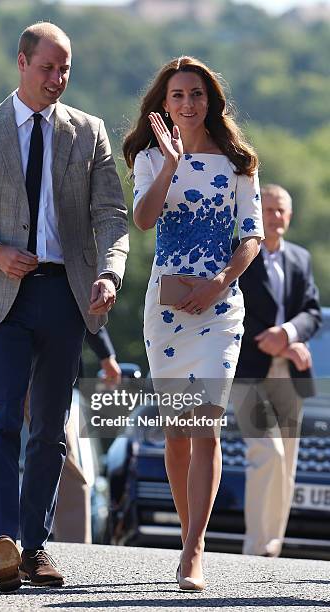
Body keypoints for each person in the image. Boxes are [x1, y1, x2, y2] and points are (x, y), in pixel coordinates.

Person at [0, 22, 128, 592]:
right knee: (0, 421)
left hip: (64, 297)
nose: (58, 79)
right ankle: (1, 541)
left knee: (49, 430)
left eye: (66, 69)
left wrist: (111, 272)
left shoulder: (87, 132)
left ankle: (36, 546)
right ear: (21, 62)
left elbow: (111, 216)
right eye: (48, 68)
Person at [123, 56, 264, 590]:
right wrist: (170, 165)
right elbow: (144, 219)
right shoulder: (148, 156)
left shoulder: (238, 162)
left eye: (197, 94)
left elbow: (251, 235)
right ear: (164, 103)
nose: (188, 103)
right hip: (167, 311)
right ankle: (188, 536)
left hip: (221, 306)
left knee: (206, 427)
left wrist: (220, 282)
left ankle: (193, 549)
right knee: (176, 436)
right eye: (178, 94)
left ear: (211, 101)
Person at [0, 257, 121, 543]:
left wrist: (106, 354)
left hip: (43, 369)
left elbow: (81, 297)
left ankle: (77, 542)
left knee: (62, 452)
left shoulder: (58, 236)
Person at [231, 184, 321, 557]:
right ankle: (256, 547)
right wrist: (271, 337)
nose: (275, 217)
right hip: (247, 371)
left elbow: (313, 312)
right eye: (268, 209)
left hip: (290, 373)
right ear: (256, 211)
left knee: (287, 464)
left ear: (290, 215)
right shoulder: (239, 254)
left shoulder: (300, 258)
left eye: (282, 210)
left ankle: (271, 549)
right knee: (267, 453)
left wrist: (289, 334)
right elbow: (228, 306)